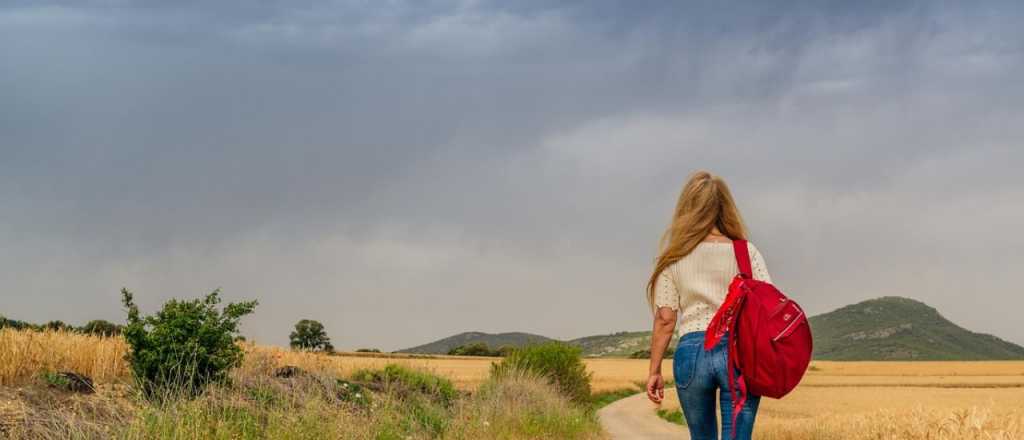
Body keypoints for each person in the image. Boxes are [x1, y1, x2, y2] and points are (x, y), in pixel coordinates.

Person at [644, 170, 772, 440]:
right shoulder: (746, 253)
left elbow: (665, 320)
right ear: (727, 208)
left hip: (691, 353)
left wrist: (654, 370)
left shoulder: (674, 257)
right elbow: (768, 305)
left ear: (686, 209)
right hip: (738, 354)